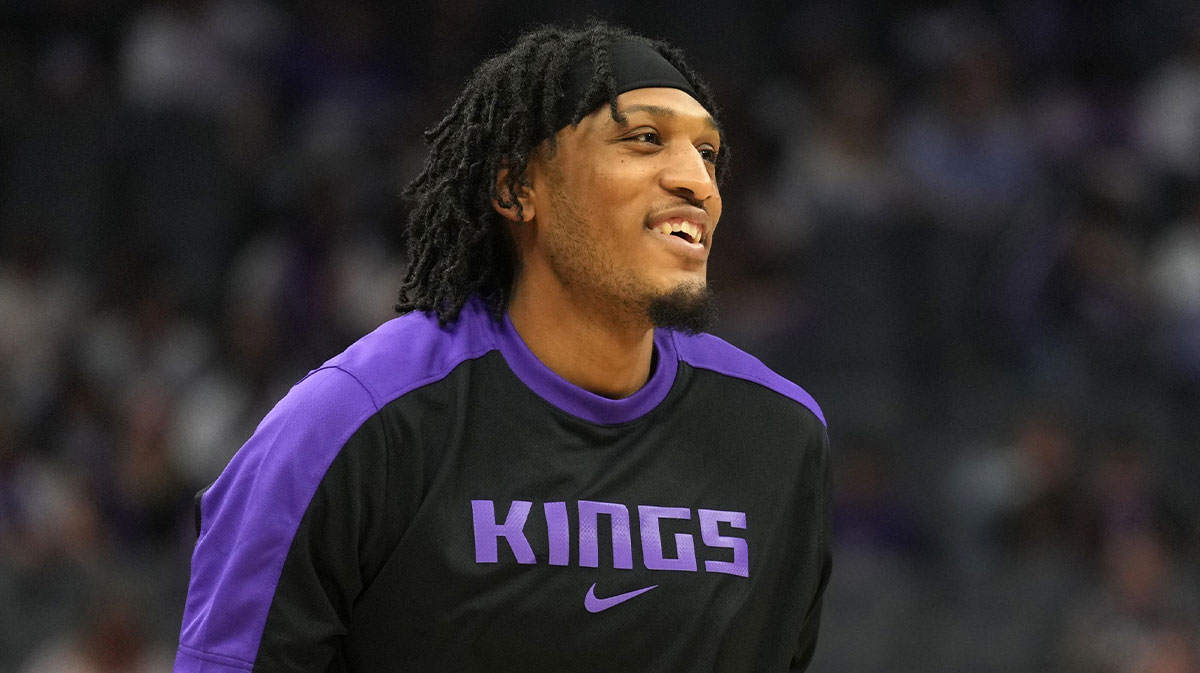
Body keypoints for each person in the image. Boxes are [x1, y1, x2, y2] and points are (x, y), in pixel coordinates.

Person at [174, 21, 831, 673]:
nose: (699, 183)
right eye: (645, 140)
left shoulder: (781, 436)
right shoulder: (350, 423)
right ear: (518, 188)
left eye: (709, 154)